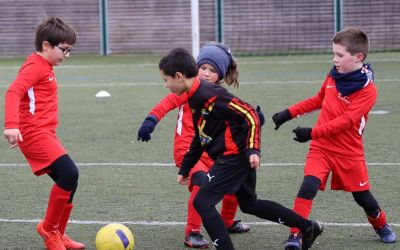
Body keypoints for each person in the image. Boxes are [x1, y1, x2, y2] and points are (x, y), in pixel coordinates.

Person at [157, 47, 323, 250]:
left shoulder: (208, 94)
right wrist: (185, 169)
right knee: (250, 204)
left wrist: (253, 149)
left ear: (179, 77)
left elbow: (250, 113)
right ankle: (307, 227)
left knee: (202, 202)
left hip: (234, 156)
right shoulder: (194, 96)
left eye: (166, 80)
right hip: (237, 155)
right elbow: (201, 137)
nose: (165, 85)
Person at [272, 27, 397, 250]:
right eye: (334, 54)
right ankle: (296, 235)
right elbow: (318, 99)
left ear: (359, 57)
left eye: (340, 55)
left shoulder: (368, 90)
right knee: (308, 186)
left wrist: (311, 133)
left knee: (362, 197)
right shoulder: (333, 74)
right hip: (321, 147)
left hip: (349, 151)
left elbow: (346, 121)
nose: (334, 59)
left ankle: (381, 224)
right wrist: (287, 113)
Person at [137, 42, 264, 248]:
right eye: (202, 67)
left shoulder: (215, 94)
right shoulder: (187, 89)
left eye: (212, 71)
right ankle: (192, 232)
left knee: (234, 185)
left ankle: (227, 222)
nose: (205, 73)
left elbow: (234, 117)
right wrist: (150, 121)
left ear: (220, 76)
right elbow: (166, 103)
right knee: (201, 183)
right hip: (188, 149)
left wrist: (256, 118)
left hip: (212, 151)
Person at [3, 17, 85, 250]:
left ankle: (58, 232)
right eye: (64, 50)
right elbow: (13, 91)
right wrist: (11, 124)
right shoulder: (35, 65)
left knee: (69, 179)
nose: (66, 56)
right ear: (47, 45)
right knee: (69, 173)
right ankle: (49, 231)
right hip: (33, 134)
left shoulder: (45, 66)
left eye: (70, 51)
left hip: (45, 133)